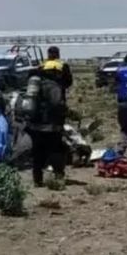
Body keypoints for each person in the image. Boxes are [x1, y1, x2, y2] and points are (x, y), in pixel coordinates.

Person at [23, 46, 73, 186]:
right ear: (57, 54)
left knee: (38, 149)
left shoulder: (39, 68)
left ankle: (37, 179)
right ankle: (58, 176)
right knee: (56, 147)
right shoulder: (61, 68)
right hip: (52, 120)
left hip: (36, 119)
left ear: (48, 55)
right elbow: (67, 86)